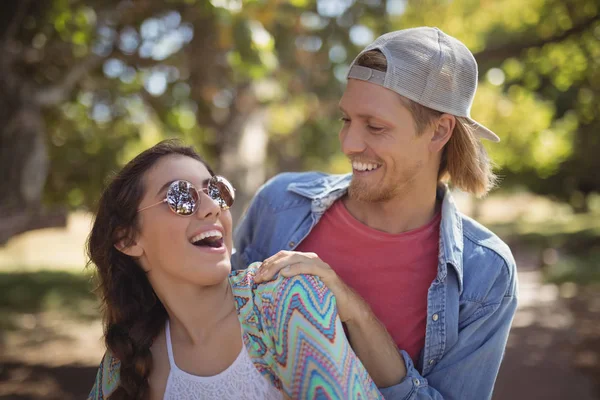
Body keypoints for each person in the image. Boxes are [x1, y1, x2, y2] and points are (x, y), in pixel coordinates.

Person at [233, 27, 518, 399]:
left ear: (439, 132)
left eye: (375, 127)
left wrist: (357, 315)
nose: (349, 144)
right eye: (346, 120)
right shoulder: (280, 204)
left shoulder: (486, 273)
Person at [86, 140, 382, 399]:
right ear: (128, 239)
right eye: (180, 196)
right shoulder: (125, 359)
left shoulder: (285, 301)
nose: (212, 208)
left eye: (216, 191)